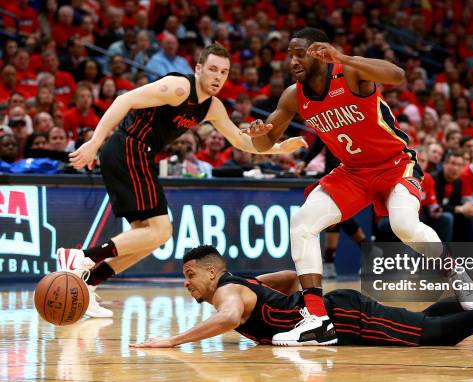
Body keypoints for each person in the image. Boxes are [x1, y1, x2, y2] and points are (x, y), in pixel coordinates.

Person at [245, 28, 473, 346]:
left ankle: (456, 274)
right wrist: (259, 133)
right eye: (289, 55)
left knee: (404, 225)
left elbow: (397, 74)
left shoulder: (351, 72)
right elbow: (266, 142)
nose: (293, 61)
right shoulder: (293, 96)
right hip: (353, 172)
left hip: (394, 164)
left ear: (317, 52)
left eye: (299, 53)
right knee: (302, 223)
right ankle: (317, 319)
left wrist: (341, 56)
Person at [57, 43, 307, 319]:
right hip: (129, 147)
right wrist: (94, 143)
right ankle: (82, 257)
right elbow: (123, 100)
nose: (217, 77)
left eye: (223, 72)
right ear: (198, 69)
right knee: (161, 231)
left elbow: (240, 140)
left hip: (139, 154)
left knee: (148, 238)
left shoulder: (212, 107)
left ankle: (88, 281)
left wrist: (278, 149)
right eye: (212, 69)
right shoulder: (178, 87)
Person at [130, 245, 473, 350]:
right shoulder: (241, 281)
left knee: (432, 336)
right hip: (339, 311)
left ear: (213, 271)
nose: (186, 283)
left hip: (344, 316)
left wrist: (170, 341)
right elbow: (292, 275)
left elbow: (229, 318)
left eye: (190, 275)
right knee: (424, 319)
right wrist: (283, 304)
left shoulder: (228, 292)